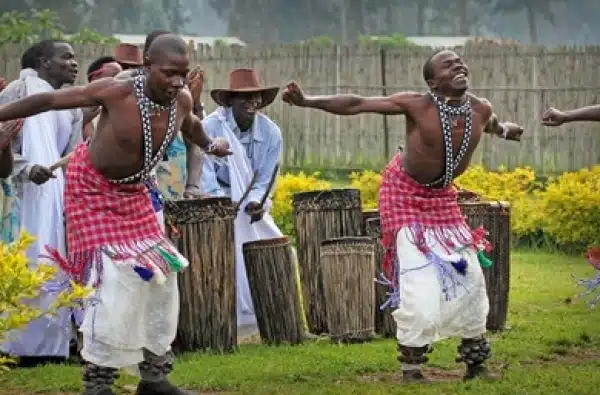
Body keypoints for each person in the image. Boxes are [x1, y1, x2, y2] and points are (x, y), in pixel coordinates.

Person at [0, 33, 230, 395]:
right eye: (169, 73)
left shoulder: (181, 99)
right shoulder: (117, 91)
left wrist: (211, 145)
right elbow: (47, 100)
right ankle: (98, 384)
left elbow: (193, 128)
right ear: (148, 65)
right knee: (113, 285)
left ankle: (154, 379)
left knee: (162, 277)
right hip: (92, 191)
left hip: (135, 193)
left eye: (182, 74)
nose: (176, 81)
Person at [282, 49, 524, 382]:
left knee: (468, 276)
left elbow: (492, 124)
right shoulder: (416, 105)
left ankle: (476, 364)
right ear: (432, 83)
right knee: (419, 277)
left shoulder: (480, 109)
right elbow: (356, 104)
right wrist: (308, 100)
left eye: (460, 62)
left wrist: (507, 130)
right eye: (448, 65)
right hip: (404, 194)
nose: (458, 66)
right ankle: (411, 366)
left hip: (441, 197)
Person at [0, 39, 84, 366]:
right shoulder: (18, 92)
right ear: (43, 62)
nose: (74, 63)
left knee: (52, 266)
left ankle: (52, 345)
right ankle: (15, 344)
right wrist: (26, 168)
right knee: (21, 263)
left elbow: (71, 154)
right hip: (16, 197)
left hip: (54, 197)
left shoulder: (73, 105)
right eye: (66, 57)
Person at [200, 68, 284, 336]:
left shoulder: (271, 133)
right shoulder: (211, 128)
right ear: (229, 102)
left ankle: (265, 318)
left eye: (255, 98)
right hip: (217, 204)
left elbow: (266, 178)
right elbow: (204, 172)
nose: (251, 104)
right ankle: (220, 321)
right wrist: (222, 207)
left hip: (250, 205)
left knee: (280, 250)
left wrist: (257, 202)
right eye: (244, 99)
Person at [81, 56, 123, 140]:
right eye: (114, 76)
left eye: (121, 77)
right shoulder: (79, 112)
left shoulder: (123, 110)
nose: (120, 82)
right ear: (95, 79)